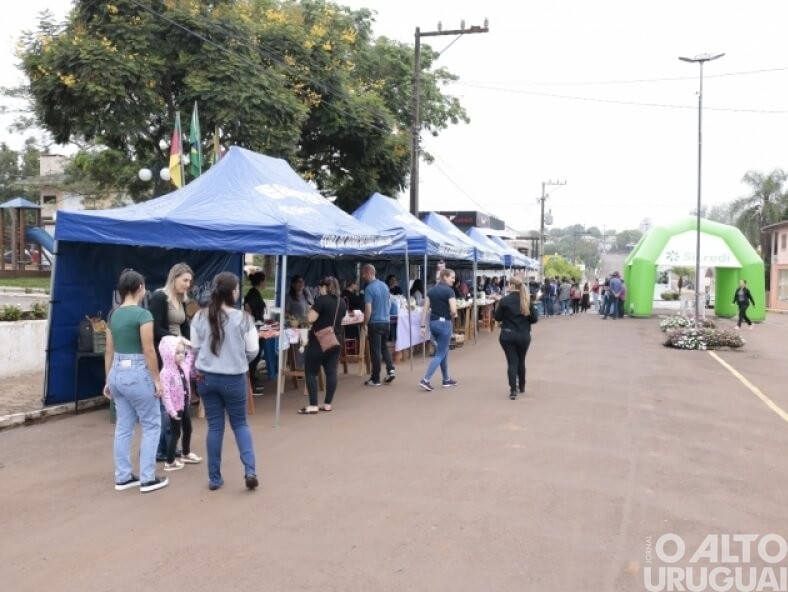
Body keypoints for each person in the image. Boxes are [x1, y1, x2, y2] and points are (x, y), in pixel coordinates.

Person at [191, 272, 259, 491]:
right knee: (240, 424)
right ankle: (250, 470)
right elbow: (253, 350)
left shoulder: (199, 317)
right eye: (237, 288)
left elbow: (195, 349)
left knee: (215, 427)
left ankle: (214, 478)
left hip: (206, 378)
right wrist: (240, 361)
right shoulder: (244, 318)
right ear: (232, 292)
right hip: (234, 378)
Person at [103, 269, 168, 493]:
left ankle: (123, 476)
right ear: (139, 288)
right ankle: (148, 478)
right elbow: (149, 350)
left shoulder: (113, 315)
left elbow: (109, 351)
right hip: (138, 371)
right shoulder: (143, 315)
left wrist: (108, 380)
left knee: (124, 427)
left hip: (117, 373)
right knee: (151, 424)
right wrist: (157, 380)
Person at [149, 262, 193, 462]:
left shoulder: (181, 300)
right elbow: (155, 328)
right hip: (165, 356)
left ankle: (170, 446)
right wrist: (177, 341)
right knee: (166, 405)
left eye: (190, 281)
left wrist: (189, 345)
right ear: (173, 278)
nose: (188, 284)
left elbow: (185, 326)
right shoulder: (160, 298)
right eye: (185, 280)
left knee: (179, 401)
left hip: (180, 357)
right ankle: (159, 448)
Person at [298, 276, 347, 414]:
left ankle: (313, 405)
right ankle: (327, 404)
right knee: (331, 372)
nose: (319, 290)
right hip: (336, 340)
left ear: (324, 287)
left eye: (320, 287)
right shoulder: (341, 302)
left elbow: (310, 319)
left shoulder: (321, 301)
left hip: (319, 340)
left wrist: (309, 311)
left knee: (310, 372)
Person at [159, 335, 201, 471]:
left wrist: (184, 341)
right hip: (175, 409)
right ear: (168, 354)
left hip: (184, 406)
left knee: (188, 429)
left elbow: (193, 351)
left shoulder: (184, 366)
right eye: (177, 353)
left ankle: (186, 453)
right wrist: (171, 411)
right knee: (175, 433)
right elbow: (165, 395)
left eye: (182, 352)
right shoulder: (165, 372)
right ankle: (170, 461)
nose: (181, 355)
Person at [494, 275, 538, 400]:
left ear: (512, 285)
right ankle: (522, 386)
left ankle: (513, 389)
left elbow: (497, 317)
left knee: (512, 362)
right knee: (521, 360)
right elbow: (534, 319)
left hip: (507, 335)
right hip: (523, 335)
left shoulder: (505, 300)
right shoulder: (526, 300)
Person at [418, 268, 459, 391]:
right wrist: (454, 314)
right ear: (445, 277)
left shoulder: (431, 291)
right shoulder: (450, 291)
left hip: (433, 323)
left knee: (443, 351)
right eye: (452, 277)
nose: (454, 280)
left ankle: (446, 379)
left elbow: (425, 309)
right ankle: (425, 379)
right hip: (445, 324)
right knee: (440, 353)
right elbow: (453, 310)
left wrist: (422, 326)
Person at [361, 264, 396, 386]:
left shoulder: (369, 288)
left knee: (375, 351)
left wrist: (365, 323)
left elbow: (368, 309)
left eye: (363, 273)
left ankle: (375, 378)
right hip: (386, 322)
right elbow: (389, 304)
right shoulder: (385, 286)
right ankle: (391, 369)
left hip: (375, 323)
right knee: (384, 347)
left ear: (369, 273)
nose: (362, 276)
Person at [244, 271, 267, 394]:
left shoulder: (255, 293)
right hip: (254, 328)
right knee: (254, 355)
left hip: (258, 327)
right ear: (261, 281)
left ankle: (252, 379)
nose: (266, 283)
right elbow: (247, 310)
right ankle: (250, 382)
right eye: (265, 280)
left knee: (257, 354)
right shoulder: (252, 294)